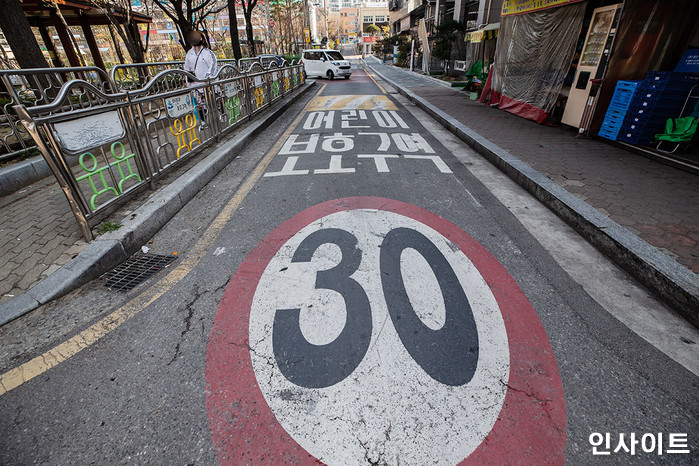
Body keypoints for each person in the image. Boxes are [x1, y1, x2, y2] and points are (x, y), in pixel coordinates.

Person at [183, 30, 217, 121]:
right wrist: (189, 82)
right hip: (195, 84)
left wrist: (208, 77)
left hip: (208, 82)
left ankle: (220, 117)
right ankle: (203, 122)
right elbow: (187, 69)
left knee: (214, 101)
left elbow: (213, 65)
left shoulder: (208, 53)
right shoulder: (189, 54)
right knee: (199, 105)